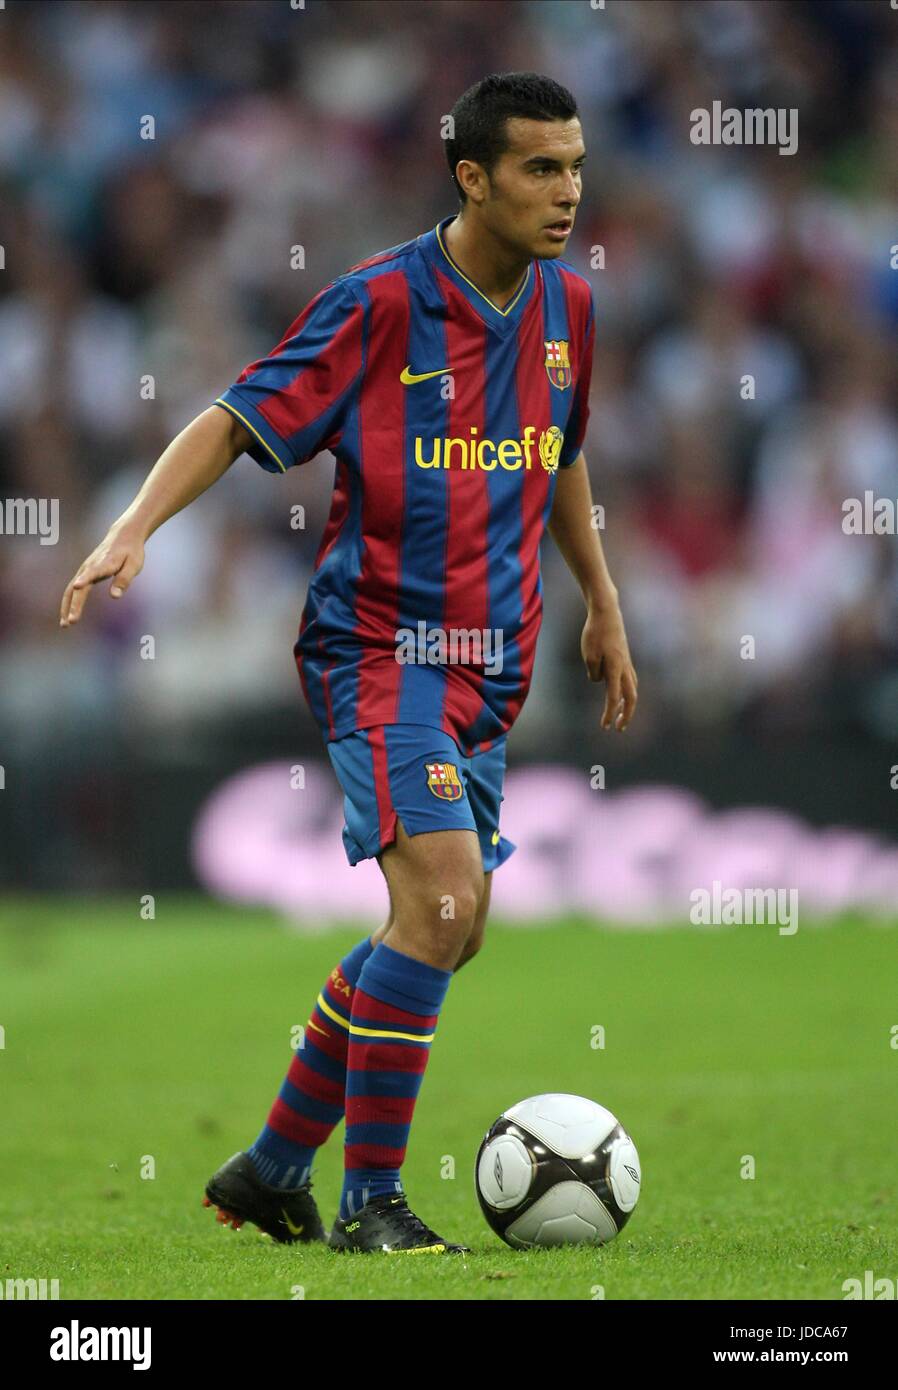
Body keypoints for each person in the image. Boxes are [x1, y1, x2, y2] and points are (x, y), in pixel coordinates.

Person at [59, 72, 638, 1254]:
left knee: (446, 926)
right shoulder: (376, 304)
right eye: (540, 167)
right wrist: (131, 525)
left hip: (494, 664)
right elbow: (233, 415)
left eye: (576, 165)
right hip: (381, 648)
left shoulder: (570, 308)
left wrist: (604, 601)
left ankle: (273, 1166)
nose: (568, 191)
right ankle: (371, 1203)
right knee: (437, 901)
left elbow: (558, 450)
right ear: (471, 175)